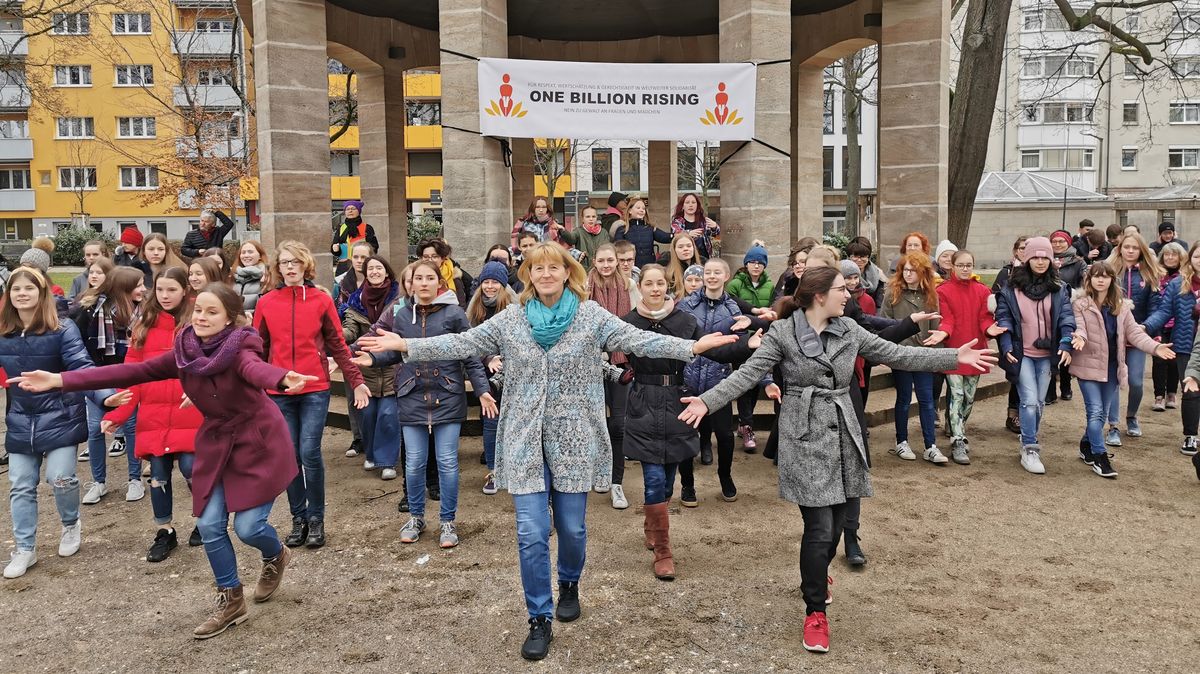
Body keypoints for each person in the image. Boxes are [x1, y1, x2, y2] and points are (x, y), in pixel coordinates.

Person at [355, 242, 738, 661]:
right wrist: (408, 346)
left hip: (574, 437)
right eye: (538, 269)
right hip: (523, 437)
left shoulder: (590, 316)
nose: (546, 275)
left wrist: (691, 347)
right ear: (529, 276)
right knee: (531, 533)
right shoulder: (512, 319)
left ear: (567, 272)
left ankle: (569, 582)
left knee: (572, 530)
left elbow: (638, 337)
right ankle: (538, 616)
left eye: (554, 267)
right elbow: (462, 342)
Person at [677, 266, 992, 654]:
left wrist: (951, 357)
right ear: (819, 295)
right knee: (820, 527)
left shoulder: (849, 329)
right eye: (843, 289)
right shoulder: (783, 332)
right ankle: (815, 612)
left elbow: (897, 353)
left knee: (841, 519)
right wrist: (707, 401)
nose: (850, 294)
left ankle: (817, 573)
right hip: (804, 433)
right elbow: (746, 375)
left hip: (844, 428)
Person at [20, 283, 316, 637]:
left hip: (259, 443)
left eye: (212, 312)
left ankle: (276, 555)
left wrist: (282, 378)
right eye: (199, 311)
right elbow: (125, 372)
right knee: (209, 526)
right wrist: (59, 379)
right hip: (217, 443)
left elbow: (256, 370)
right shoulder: (185, 352)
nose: (203, 318)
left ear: (230, 319)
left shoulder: (241, 347)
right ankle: (231, 599)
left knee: (248, 528)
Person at [621, 264, 754, 580]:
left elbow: (714, 350)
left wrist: (745, 346)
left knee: (668, 480)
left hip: (678, 401)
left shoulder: (684, 320)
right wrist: (620, 374)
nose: (655, 289)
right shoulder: (627, 323)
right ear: (640, 286)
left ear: (667, 286)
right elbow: (610, 357)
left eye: (660, 284)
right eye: (648, 283)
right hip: (643, 400)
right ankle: (663, 550)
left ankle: (653, 521)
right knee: (653, 478)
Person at [354, 261, 495, 546]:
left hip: (447, 396)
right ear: (411, 283)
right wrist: (374, 358)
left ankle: (448, 521)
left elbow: (469, 353)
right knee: (415, 462)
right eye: (418, 278)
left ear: (439, 282)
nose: (424, 283)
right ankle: (416, 517)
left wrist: (481, 390)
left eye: (430, 278)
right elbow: (394, 353)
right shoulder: (401, 314)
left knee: (447, 462)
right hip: (411, 395)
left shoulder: (455, 313)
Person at [0, 268, 124, 579]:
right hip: (20, 420)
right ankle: (25, 548)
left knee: (60, 477)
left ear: (41, 293)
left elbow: (82, 367)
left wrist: (104, 398)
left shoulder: (62, 328)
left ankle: (71, 524)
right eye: (16, 289)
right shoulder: (3, 330)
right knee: (21, 484)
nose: (22, 294)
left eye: (29, 288)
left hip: (60, 416)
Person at [253, 241, 368, 550]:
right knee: (289, 456)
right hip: (279, 389)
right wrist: (255, 387)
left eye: (295, 263)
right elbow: (257, 351)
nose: (290, 267)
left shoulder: (319, 299)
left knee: (309, 452)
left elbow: (337, 344)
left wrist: (355, 380)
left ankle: (316, 519)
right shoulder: (266, 302)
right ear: (277, 268)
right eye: (284, 263)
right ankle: (298, 518)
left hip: (315, 387)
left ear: (305, 266)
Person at [102, 267, 204, 560]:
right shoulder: (144, 323)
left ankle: (203, 521)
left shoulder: (199, 321)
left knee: (192, 469)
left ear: (185, 289)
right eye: (159, 289)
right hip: (155, 413)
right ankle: (165, 531)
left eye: (171, 289)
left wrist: (200, 392)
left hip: (190, 412)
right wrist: (119, 413)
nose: (164, 295)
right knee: (158, 474)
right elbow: (133, 373)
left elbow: (214, 365)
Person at [1072, 262, 1174, 479]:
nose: (1101, 280)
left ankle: (1086, 444)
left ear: (1112, 280)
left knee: (1102, 413)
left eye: (1105, 276)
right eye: (1096, 276)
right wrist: (1079, 337)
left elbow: (1135, 334)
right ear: (1088, 280)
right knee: (1096, 411)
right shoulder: (1080, 305)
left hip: (1112, 367)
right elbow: (1079, 327)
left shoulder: (1122, 307)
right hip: (1087, 366)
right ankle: (1100, 457)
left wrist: (1155, 347)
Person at [678, 256, 762, 503]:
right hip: (689, 379)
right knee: (686, 436)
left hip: (719, 383)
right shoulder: (686, 305)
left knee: (724, 437)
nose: (711, 276)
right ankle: (687, 485)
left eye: (717, 273)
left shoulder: (733, 309)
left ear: (726, 277)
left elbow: (739, 345)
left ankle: (725, 476)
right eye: (708, 272)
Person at [995, 237, 1079, 475]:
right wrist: (1006, 344)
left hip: (1047, 355)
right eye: (1036, 257)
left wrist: (1066, 343)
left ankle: (1027, 436)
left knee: (1039, 402)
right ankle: (1030, 447)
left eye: (1045, 257)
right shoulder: (1011, 289)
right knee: (1029, 400)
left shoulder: (1060, 288)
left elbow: (1066, 319)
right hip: (1022, 354)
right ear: (1027, 259)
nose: (1040, 262)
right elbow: (1004, 319)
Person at [924, 250, 1007, 464]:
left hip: (976, 351)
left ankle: (955, 426)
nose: (965, 268)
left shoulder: (982, 290)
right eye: (960, 265)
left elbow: (985, 318)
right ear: (952, 266)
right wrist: (944, 332)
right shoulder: (943, 290)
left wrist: (991, 329)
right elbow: (947, 319)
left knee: (969, 397)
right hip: (954, 351)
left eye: (969, 265)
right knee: (957, 394)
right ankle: (958, 440)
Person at [74, 266, 146, 502]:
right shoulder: (92, 311)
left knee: (132, 426)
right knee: (96, 429)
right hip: (100, 375)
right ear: (123, 287)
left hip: (129, 376)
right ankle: (98, 482)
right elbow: (79, 345)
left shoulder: (144, 311)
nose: (144, 289)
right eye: (138, 285)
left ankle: (135, 479)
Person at [586, 243, 639, 509]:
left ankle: (617, 482)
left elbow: (635, 322)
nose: (606, 265)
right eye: (602, 260)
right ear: (594, 261)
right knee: (595, 421)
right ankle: (600, 471)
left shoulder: (629, 287)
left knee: (618, 423)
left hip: (621, 363)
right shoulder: (583, 288)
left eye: (611, 260)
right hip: (591, 364)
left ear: (617, 262)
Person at [341, 255, 402, 481]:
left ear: (387, 272)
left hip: (391, 365)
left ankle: (387, 461)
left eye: (379, 268)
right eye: (370, 269)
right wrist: (338, 339)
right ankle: (372, 453)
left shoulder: (400, 299)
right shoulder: (355, 302)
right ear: (365, 274)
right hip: (363, 366)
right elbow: (349, 329)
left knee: (388, 413)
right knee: (367, 413)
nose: (375, 272)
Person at [881, 252, 945, 464]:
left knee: (927, 400)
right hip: (901, 352)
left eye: (912, 270)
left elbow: (936, 325)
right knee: (904, 398)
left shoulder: (931, 295)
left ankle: (931, 446)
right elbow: (884, 322)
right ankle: (902, 441)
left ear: (922, 272)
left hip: (924, 352)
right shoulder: (892, 292)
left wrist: (935, 346)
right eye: (905, 270)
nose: (908, 274)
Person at [1142, 242, 1200, 456]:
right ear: (1190, 259)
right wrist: (1146, 326)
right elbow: (1164, 311)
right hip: (1186, 345)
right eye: (1197, 257)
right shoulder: (1178, 285)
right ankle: (1190, 435)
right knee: (1191, 391)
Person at [1104, 232, 1163, 443]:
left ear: (1141, 250)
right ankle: (1113, 425)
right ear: (1120, 248)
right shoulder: (1110, 271)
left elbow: (1157, 307)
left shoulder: (1149, 275)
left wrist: (1146, 326)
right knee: (1113, 380)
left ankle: (1131, 416)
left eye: (1134, 248)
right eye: (1126, 247)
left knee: (1136, 381)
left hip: (1137, 334)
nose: (1130, 251)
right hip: (1112, 336)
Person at [466, 261, 518, 495]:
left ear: (503, 284)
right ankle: (494, 470)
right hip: (486, 372)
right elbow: (471, 339)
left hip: (514, 370)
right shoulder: (475, 307)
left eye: (494, 282)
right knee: (491, 422)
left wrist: (504, 358)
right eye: (486, 281)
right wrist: (488, 358)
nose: (489, 286)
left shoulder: (514, 305)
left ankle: (515, 469)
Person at [726, 244, 775, 451]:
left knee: (755, 383)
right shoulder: (736, 284)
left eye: (760, 263)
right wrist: (754, 311)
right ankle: (747, 425)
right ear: (746, 264)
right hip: (741, 341)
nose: (756, 266)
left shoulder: (770, 285)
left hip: (761, 340)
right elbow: (731, 303)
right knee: (745, 382)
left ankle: (745, 422)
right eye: (752, 262)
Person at [993, 235, 1029, 434]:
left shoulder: (1042, 272)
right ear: (1016, 250)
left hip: (1032, 333)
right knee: (1017, 373)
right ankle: (1013, 414)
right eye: (1022, 247)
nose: (1025, 251)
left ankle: (1024, 414)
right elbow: (996, 300)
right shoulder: (1006, 273)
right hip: (1011, 330)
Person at [1048, 229, 1085, 404]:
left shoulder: (1077, 262)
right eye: (1054, 241)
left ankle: (1065, 384)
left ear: (1068, 243)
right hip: (1048, 308)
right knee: (1049, 346)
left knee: (1065, 343)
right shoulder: (1045, 260)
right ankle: (1050, 388)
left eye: (1061, 241)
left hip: (1068, 307)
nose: (1057, 244)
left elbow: (1083, 284)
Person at [1151, 242, 1185, 412]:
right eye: (1167, 254)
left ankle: (1172, 393)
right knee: (1159, 359)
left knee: (1174, 361)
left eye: (1174, 255)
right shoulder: (1156, 275)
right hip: (1159, 323)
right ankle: (1159, 396)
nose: (1170, 258)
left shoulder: (1185, 277)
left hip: (1178, 325)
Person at [613, 197, 672, 268]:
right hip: (630, 267)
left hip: (649, 267)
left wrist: (678, 235)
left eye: (643, 209)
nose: (641, 210)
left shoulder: (650, 228)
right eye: (638, 208)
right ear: (630, 211)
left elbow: (665, 237)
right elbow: (617, 247)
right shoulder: (622, 229)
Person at [417, 238, 473, 310]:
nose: (430, 260)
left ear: (443, 258)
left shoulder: (454, 276)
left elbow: (461, 307)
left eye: (435, 256)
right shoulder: (414, 276)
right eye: (426, 257)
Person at [330, 200, 379, 276]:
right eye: (347, 209)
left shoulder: (367, 228)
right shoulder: (341, 228)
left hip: (362, 264)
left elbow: (374, 247)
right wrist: (335, 249)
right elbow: (335, 248)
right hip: (343, 266)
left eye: (353, 208)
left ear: (359, 211)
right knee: (342, 287)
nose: (350, 211)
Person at [558, 206, 611, 271]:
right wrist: (562, 230)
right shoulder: (578, 231)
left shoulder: (603, 232)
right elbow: (571, 239)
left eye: (593, 216)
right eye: (588, 217)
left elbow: (608, 249)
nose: (591, 219)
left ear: (597, 218)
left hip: (601, 269)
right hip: (584, 269)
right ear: (582, 219)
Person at [668, 193, 720, 260]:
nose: (690, 205)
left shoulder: (703, 221)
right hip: (684, 258)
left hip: (703, 257)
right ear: (683, 206)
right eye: (687, 202)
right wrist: (688, 234)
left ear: (697, 205)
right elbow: (676, 233)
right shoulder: (677, 221)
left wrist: (715, 226)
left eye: (693, 202)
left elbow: (715, 234)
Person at [334, 241, 373, 310]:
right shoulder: (339, 283)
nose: (359, 260)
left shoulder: (379, 282)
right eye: (355, 257)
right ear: (351, 258)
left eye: (363, 257)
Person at [846, 239, 885, 307]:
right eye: (855, 256)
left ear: (868, 257)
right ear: (849, 257)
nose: (859, 260)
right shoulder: (843, 273)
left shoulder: (878, 274)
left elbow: (880, 303)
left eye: (863, 256)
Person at [661, 233, 702, 298]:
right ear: (674, 250)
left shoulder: (703, 265)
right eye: (680, 247)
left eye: (689, 246)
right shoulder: (667, 271)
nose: (685, 249)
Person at [233, 240, 268, 315]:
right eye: (243, 252)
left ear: (260, 256)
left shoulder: (267, 277)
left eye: (250, 252)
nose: (246, 255)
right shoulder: (233, 276)